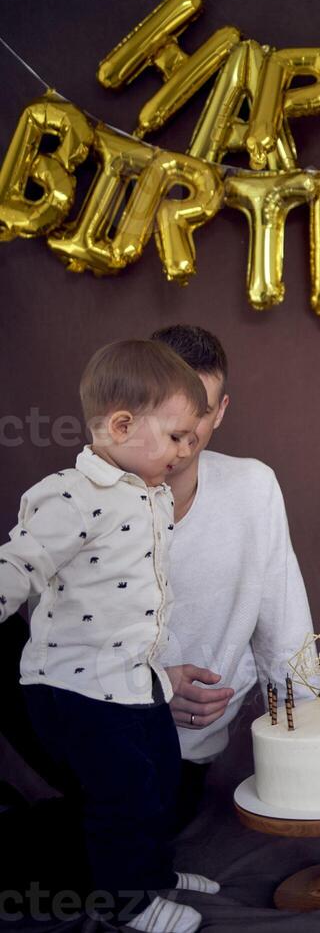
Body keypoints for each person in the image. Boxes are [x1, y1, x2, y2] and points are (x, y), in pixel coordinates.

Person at [0, 339, 220, 933]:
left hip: (134, 680)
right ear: (121, 425)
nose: (185, 447)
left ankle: (157, 875)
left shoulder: (145, 492)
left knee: (161, 780)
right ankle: (129, 904)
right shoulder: (69, 496)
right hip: (79, 689)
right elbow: (18, 564)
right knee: (120, 798)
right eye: (176, 435)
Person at [151, 325, 317, 822]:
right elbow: (61, 647)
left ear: (220, 411)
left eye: (198, 409)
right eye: (166, 405)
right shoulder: (91, 495)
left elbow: (285, 630)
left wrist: (312, 739)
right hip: (93, 728)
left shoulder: (252, 487)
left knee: (103, 854)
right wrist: (152, 688)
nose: (182, 427)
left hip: (176, 760)